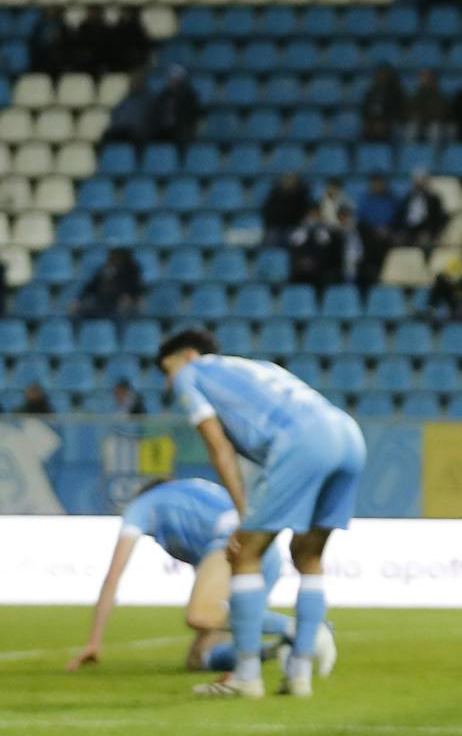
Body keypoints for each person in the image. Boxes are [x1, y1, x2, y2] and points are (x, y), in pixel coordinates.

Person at [155, 328, 365, 699]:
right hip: (347, 434)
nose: (169, 383)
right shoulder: (255, 367)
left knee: (245, 553)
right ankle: (299, 674)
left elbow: (218, 447)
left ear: (187, 356)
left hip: (305, 440)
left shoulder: (192, 373)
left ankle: (246, 676)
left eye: (167, 370)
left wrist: (243, 513)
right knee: (308, 555)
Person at [66, 477, 326, 677]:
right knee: (199, 657)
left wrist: (93, 641)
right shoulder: (191, 493)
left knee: (200, 615)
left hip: (233, 546)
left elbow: (113, 576)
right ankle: (275, 649)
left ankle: (305, 628)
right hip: (264, 549)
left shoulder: (141, 506)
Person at [75, 247, 146, 318]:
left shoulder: (131, 269)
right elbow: (92, 286)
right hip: (102, 301)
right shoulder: (104, 268)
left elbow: (134, 288)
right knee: (80, 308)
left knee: (124, 308)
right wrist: (79, 300)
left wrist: (130, 297)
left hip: (120, 302)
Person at [360, 64, 406, 142]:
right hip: (372, 120)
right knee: (368, 128)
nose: (381, 77)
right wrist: (369, 121)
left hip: (388, 121)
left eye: (383, 74)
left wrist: (386, 121)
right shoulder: (372, 91)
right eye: (379, 74)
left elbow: (398, 109)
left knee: (382, 128)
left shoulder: (395, 91)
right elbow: (365, 108)